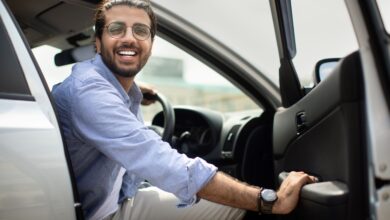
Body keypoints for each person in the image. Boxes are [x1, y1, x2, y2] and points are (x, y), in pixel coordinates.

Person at [52, 0, 317, 219]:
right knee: (242, 211)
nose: (129, 39)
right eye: (117, 29)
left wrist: (132, 92)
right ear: (97, 43)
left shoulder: (107, 87)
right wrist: (270, 200)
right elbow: (165, 164)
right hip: (96, 214)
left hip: (115, 199)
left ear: (151, 46)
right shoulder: (90, 92)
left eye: (141, 31)